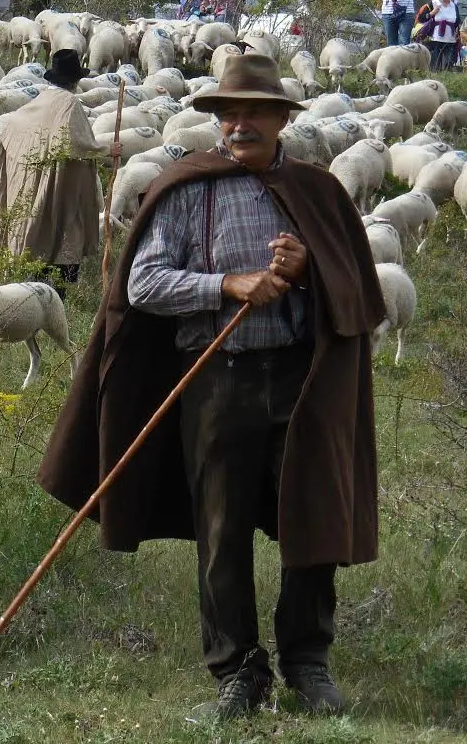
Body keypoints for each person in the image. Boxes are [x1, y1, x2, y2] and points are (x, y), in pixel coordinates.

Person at [38, 52, 385, 720]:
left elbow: (356, 292)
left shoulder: (318, 191)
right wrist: (227, 285)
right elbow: (142, 285)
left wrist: (307, 269)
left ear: (282, 119)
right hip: (216, 380)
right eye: (229, 113)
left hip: (300, 379)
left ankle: (306, 662)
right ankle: (236, 671)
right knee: (218, 528)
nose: (239, 124)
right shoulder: (184, 188)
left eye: (254, 112)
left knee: (309, 517)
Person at [0, 49, 108, 297]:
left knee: (34, 240)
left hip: (30, 187)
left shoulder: (35, 103)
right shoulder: (70, 104)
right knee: (63, 233)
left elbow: (12, 128)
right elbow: (78, 143)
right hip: (59, 192)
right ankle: (55, 303)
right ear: (75, 81)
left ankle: (29, 296)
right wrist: (107, 149)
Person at [424, 0, 460, 71]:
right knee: (434, 65)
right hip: (434, 39)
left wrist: (458, 34)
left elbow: (457, 21)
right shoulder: (432, 3)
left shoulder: (454, 6)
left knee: (448, 64)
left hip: (450, 40)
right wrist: (432, 13)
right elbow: (421, 18)